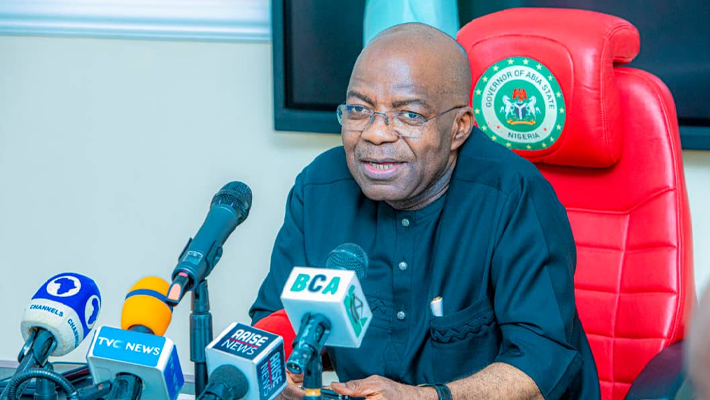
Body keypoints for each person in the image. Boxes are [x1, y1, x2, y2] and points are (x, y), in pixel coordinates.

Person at [250, 23, 600, 400]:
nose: (376, 134)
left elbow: (540, 362)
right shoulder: (319, 188)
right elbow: (275, 321)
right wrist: (277, 369)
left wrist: (422, 398)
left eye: (409, 115)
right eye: (359, 109)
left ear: (459, 128)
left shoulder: (512, 195)